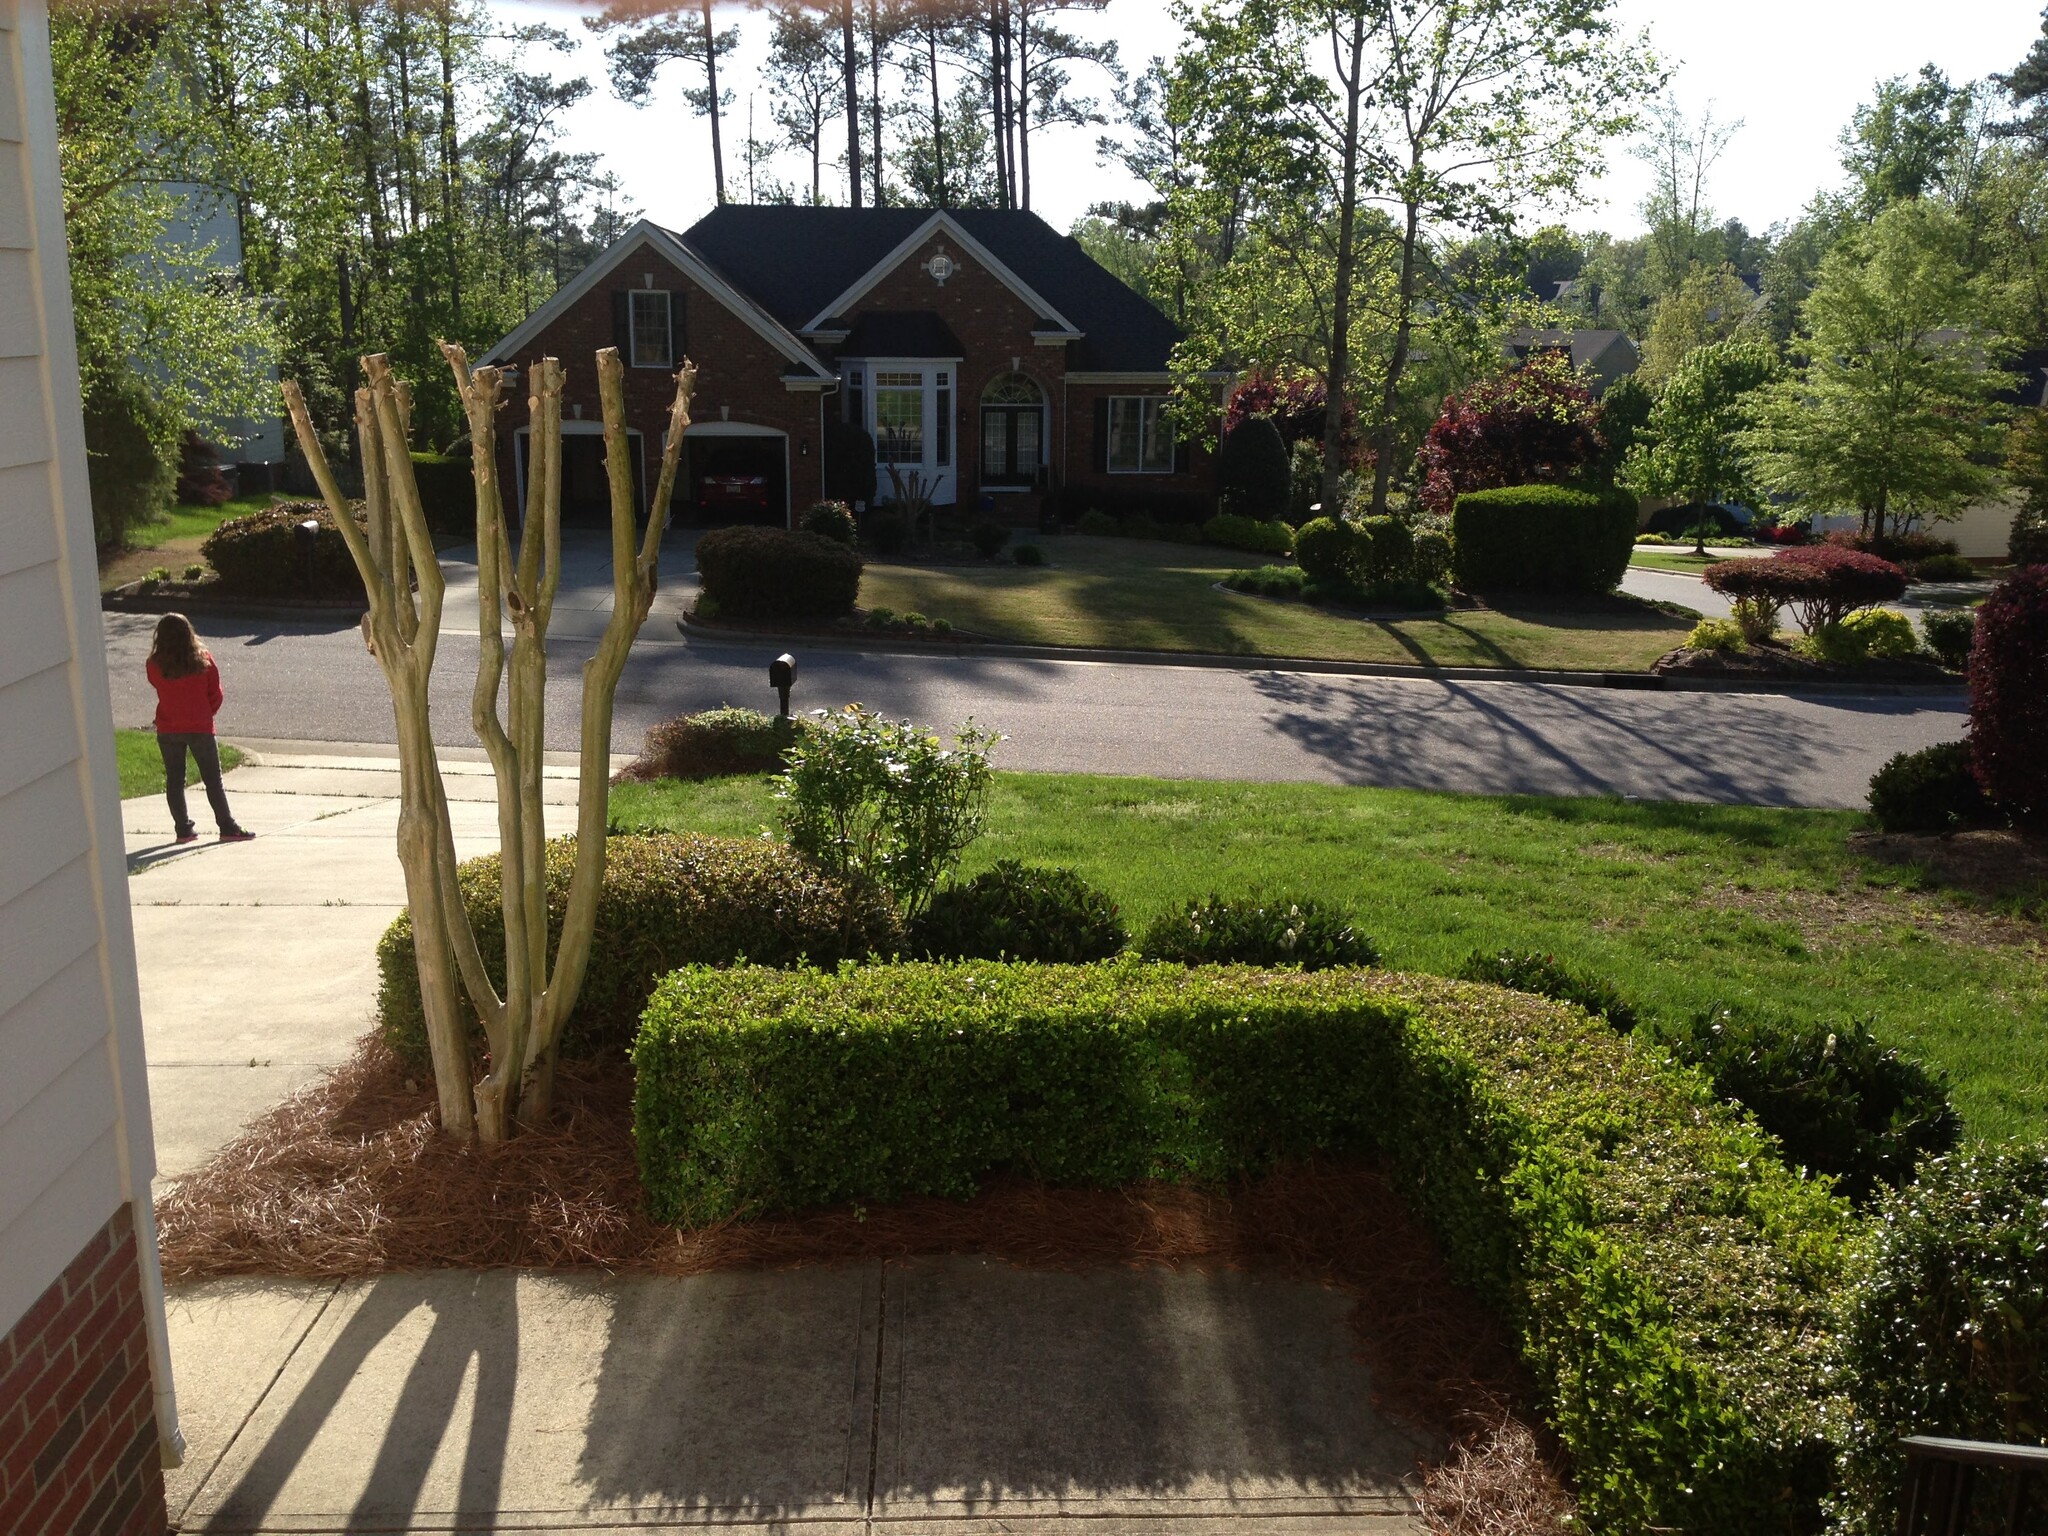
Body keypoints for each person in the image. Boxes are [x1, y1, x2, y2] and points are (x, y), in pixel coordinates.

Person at [146, 614, 252, 845]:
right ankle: (226, 826)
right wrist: (205, 712)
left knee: (175, 780)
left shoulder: (155, 664)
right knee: (213, 779)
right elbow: (216, 693)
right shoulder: (203, 660)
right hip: (200, 726)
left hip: (168, 727)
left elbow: (156, 683)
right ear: (189, 633)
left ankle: (183, 830)